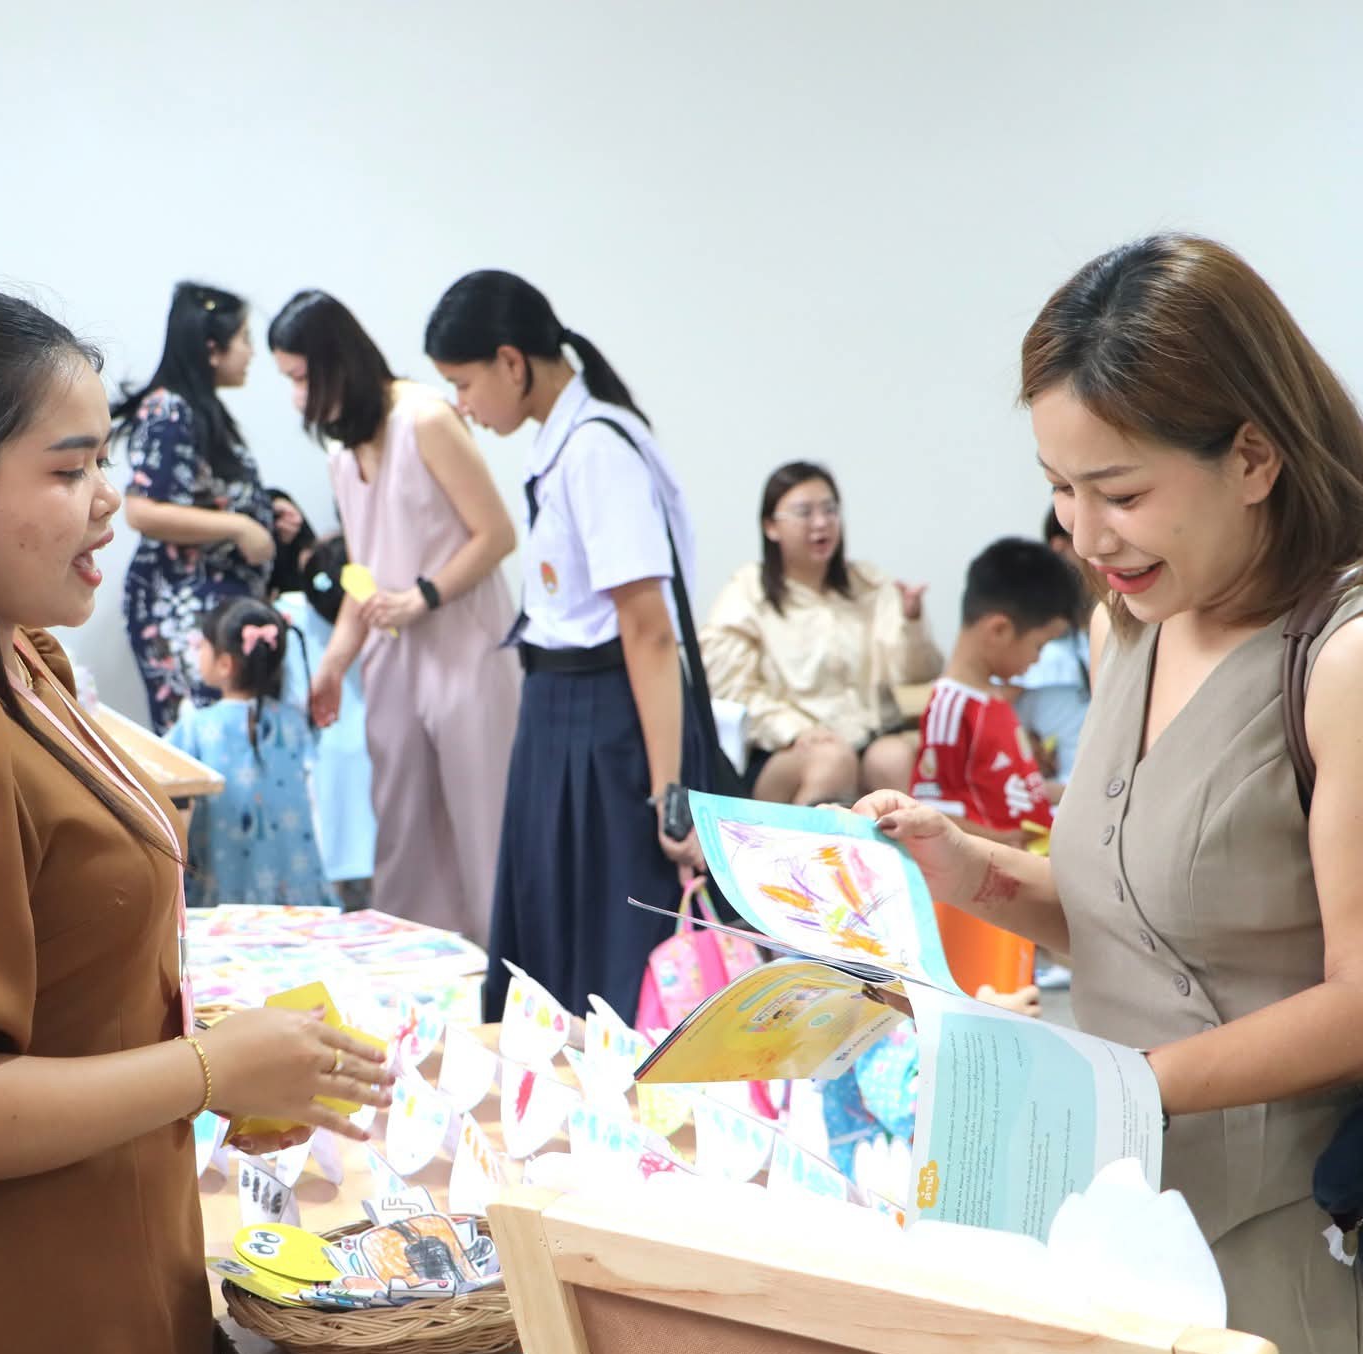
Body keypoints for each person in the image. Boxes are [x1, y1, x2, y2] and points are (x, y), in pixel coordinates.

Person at [861, 234, 1363, 1354]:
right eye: (1059, 490)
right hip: (1126, 1213)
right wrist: (969, 868)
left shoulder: (1361, 658)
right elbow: (1147, 924)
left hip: (1285, 1238)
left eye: (1122, 493)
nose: (1084, 537)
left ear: (1252, 456)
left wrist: (1112, 1090)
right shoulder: (1129, 626)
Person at [0, 290, 391, 1354]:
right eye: (67, 470)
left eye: (104, 460)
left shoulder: (21, 662)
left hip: (76, 1229)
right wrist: (206, 1070)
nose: (109, 501)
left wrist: (216, 1050)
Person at [425, 269, 716, 1021]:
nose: (462, 404)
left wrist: (670, 794)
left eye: (463, 383)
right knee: (551, 921)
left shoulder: (597, 450)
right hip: (560, 708)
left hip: (608, 718)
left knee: (606, 940)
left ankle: (606, 1084)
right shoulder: (566, 444)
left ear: (512, 363)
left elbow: (648, 630)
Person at [269, 288, 521, 943]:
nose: (296, 397)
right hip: (393, 658)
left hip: (465, 648)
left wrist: (424, 596)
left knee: (485, 828)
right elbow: (363, 571)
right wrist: (334, 662)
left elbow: (496, 534)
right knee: (404, 835)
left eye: (301, 378)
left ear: (335, 362)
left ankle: (505, 977)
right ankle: (418, 974)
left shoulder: (425, 419)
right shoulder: (342, 454)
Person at [700, 461, 941, 805]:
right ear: (771, 526)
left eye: (830, 510)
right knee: (832, 759)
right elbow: (730, 690)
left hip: (865, 736)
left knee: (893, 757)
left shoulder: (868, 585)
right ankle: (805, 842)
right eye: (804, 512)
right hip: (784, 747)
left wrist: (912, 623)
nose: (821, 523)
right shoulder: (747, 592)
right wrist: (794, 729)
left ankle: (903, 841)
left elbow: (917, 674)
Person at [115, 282, 276, 733]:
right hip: (182, 610)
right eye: (244, 339)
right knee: (206, 740)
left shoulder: (202, 411)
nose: (251, 352)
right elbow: (142, 511)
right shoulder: (170, 409)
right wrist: (239, 526)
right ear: (212, 348)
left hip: (217, 607)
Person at [166, 596, 336, 907]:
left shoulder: (198, 727)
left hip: (225, 880)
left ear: (225, 664)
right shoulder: (294, 723)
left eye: (203, 645)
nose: (197, 651)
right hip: (296, 879)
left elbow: (160, 769)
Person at [910, 537, 1082, 845]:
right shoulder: (951, 706)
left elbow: (1013, 790)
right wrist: (1007, 841)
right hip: (1004, 863)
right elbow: (932, 812)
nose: (1037, 660)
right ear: (1000, 630)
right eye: (1039, 646)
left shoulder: (995, 699)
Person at [280, 533, 379, 909]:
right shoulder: (384, 609)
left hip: (321, 752)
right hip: (375, 747)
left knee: (335, 844)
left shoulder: (290, 618)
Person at [1006, 507, 1094, 790]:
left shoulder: (1139, 618)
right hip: (1057, 793)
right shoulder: (1030, 630)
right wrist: (1015, 738)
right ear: (1060, 547)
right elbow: (989, 700)